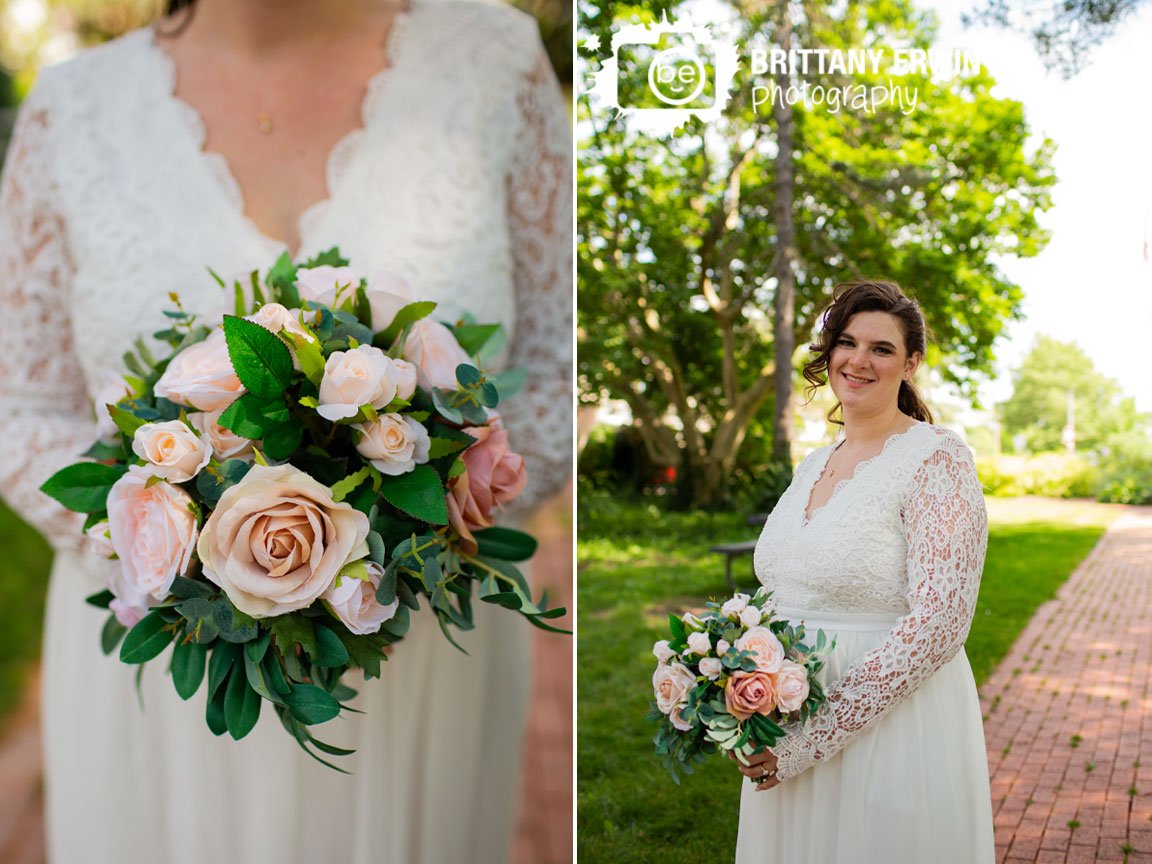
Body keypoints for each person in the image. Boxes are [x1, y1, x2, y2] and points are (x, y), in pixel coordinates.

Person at [0, 0, 571, 861]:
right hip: (169, 661)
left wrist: (408, 523)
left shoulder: (496, 61)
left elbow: (560, 362)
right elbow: (19, 402)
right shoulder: (71, 109)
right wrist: (192, 547)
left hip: (416, 655)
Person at [732, 281, 994, 863]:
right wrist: (736, 678)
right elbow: (783, 588)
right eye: (846, 343)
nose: (858, 360)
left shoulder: (937, 459)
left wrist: (809, 740)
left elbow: (939, 625)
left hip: (888, 729)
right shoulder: (815, 461)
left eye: (881, 348)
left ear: (911, 363)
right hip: (786, 711)